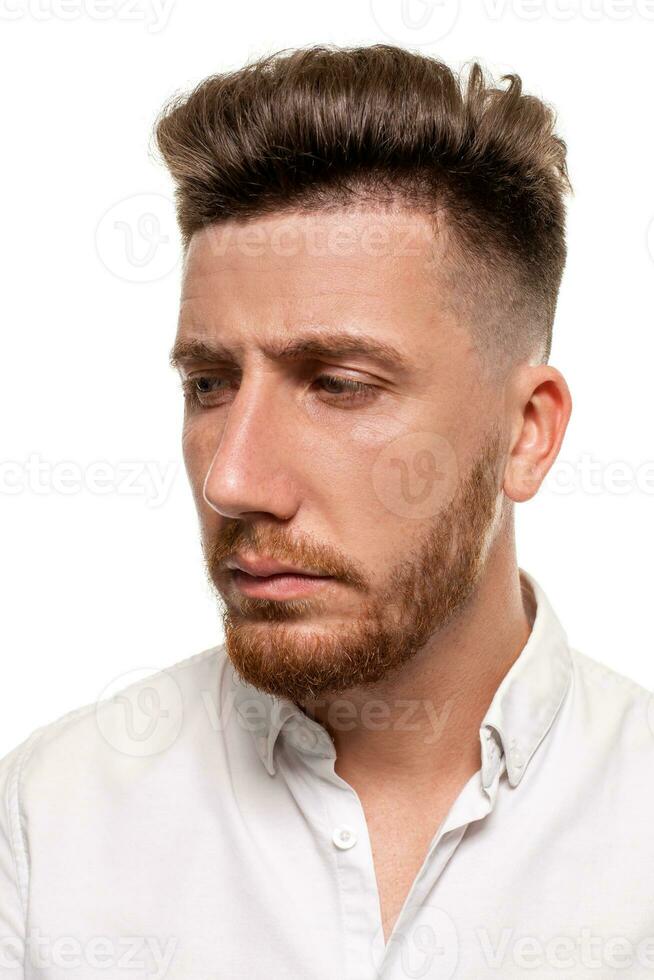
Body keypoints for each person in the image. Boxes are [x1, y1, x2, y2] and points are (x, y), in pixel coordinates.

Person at [2, 43, 653, 980]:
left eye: (339, 384)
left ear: (526, 434)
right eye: (209, 383)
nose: (233, 479)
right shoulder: (49, 824)